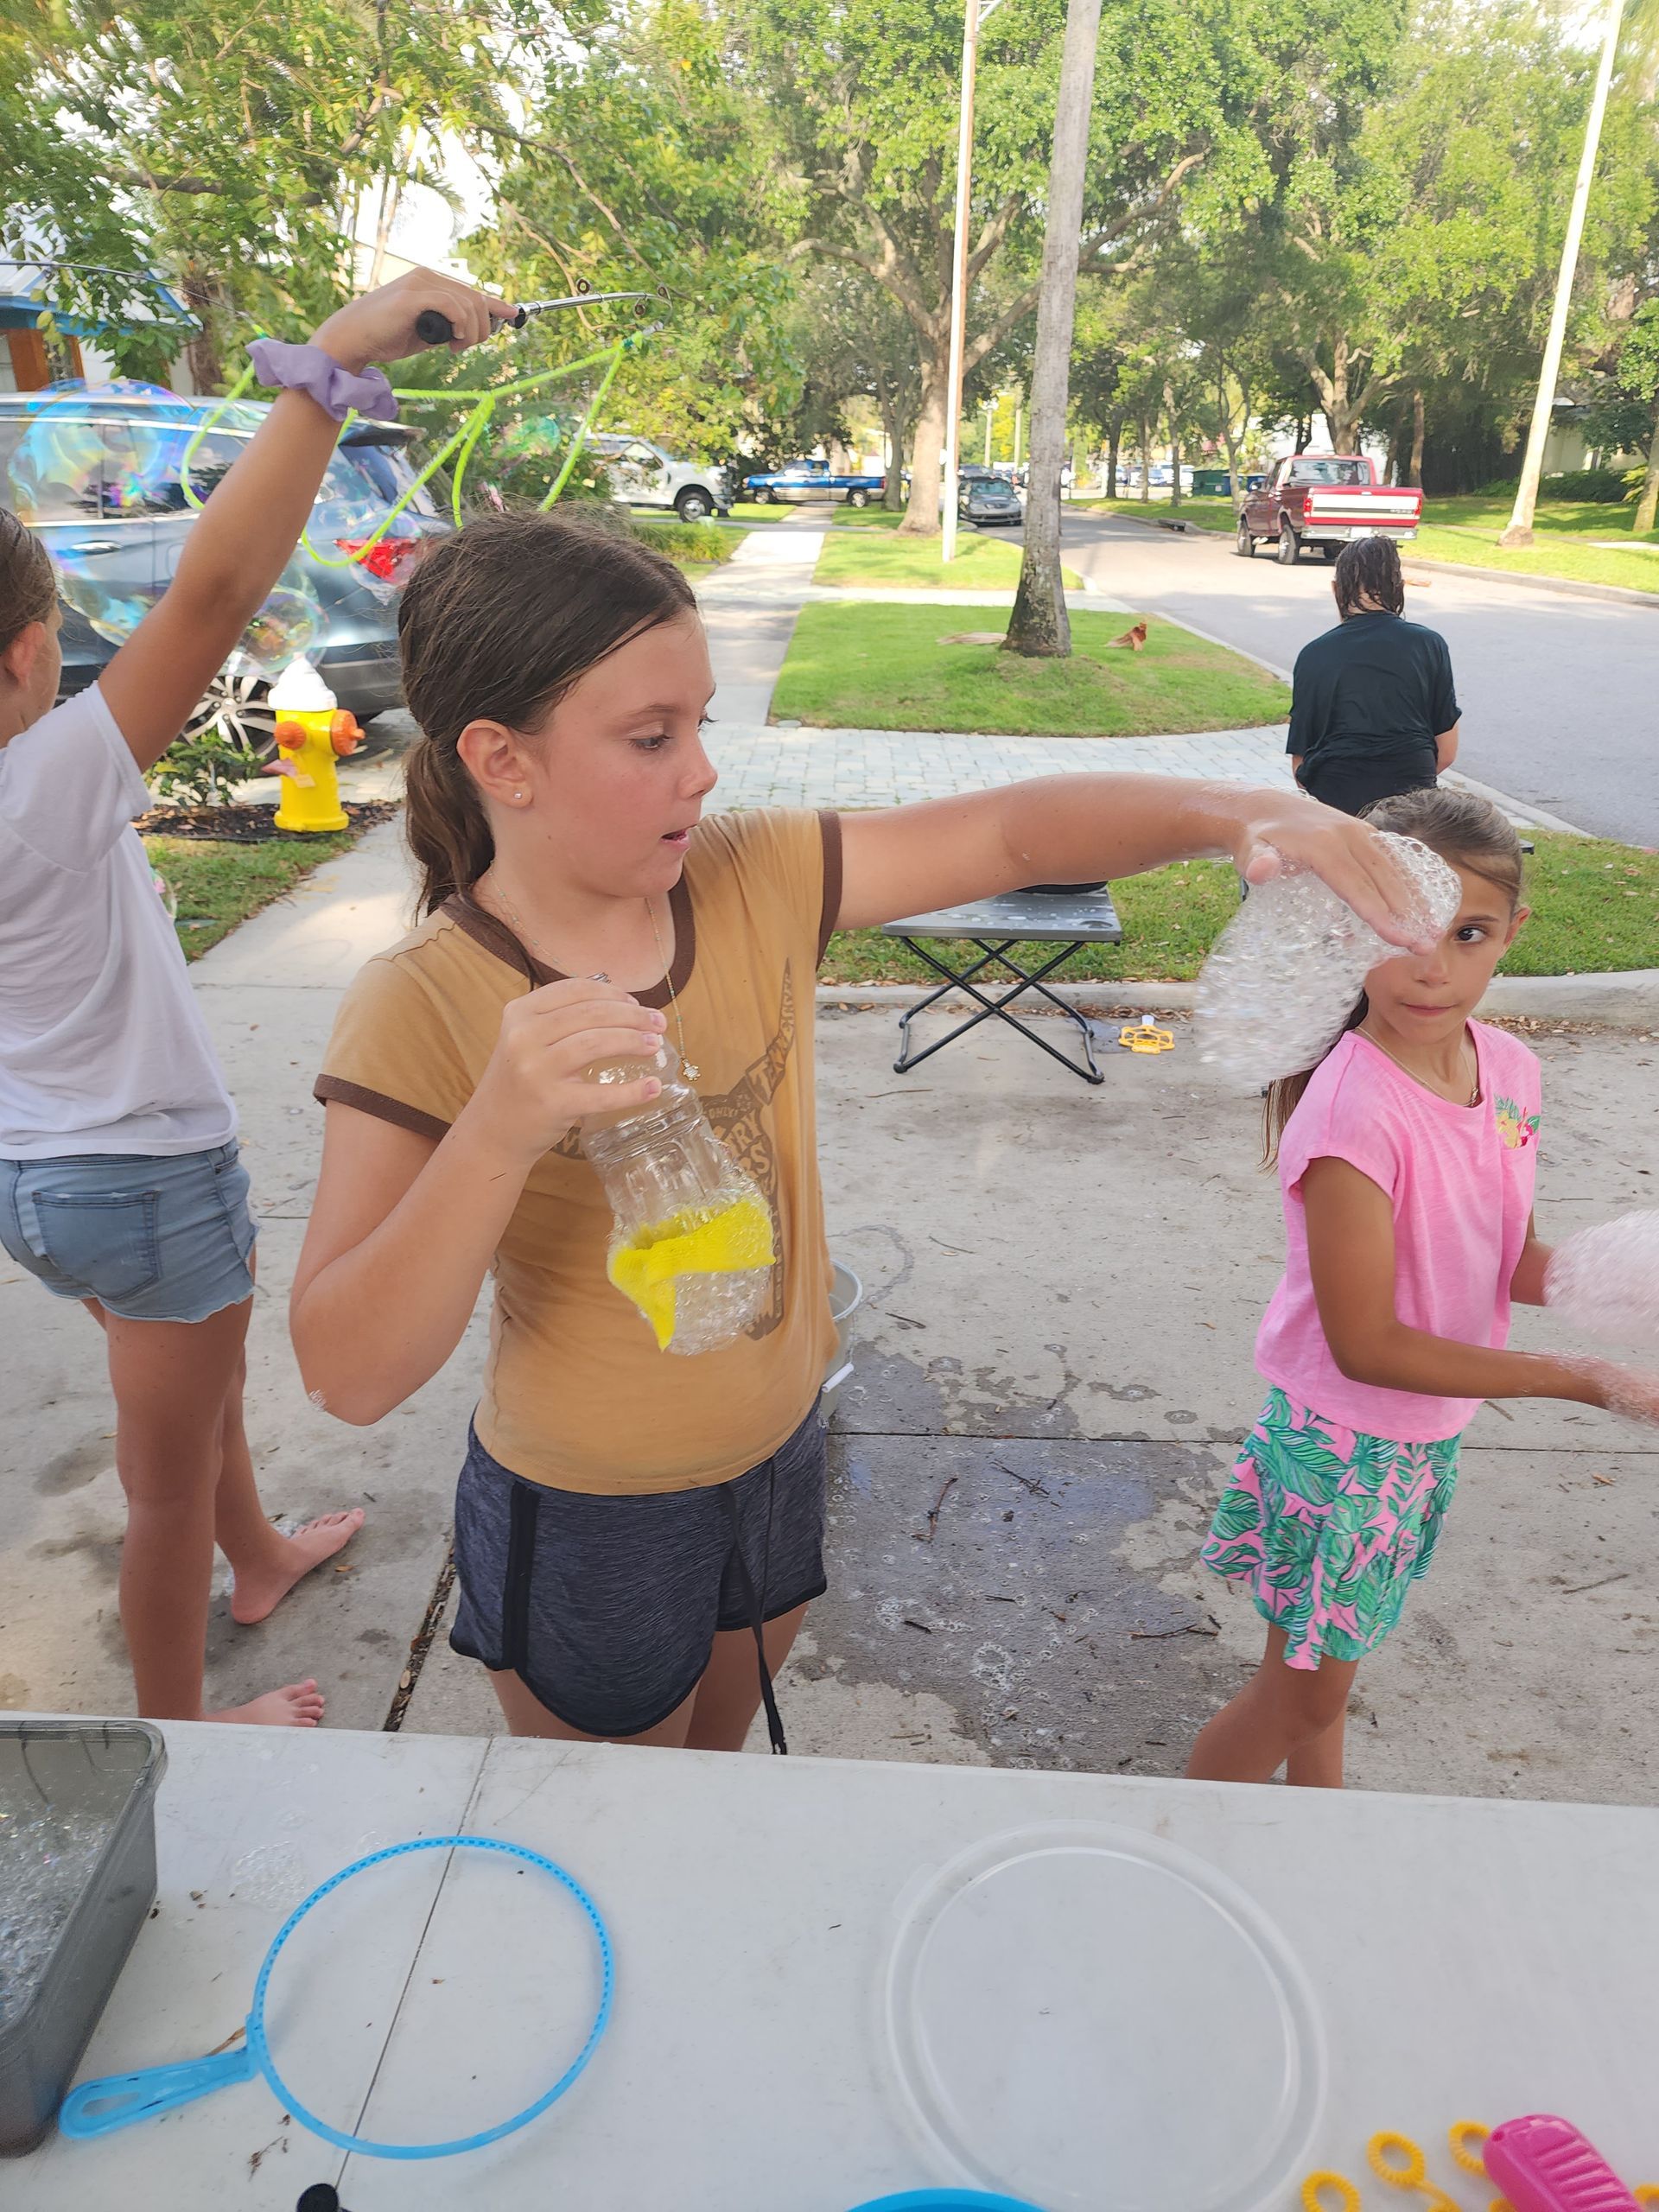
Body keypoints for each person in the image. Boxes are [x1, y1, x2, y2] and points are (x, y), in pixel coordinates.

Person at [290, 508, 1432, 1755]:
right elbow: (351, 1372)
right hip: (594, 1509)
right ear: (503, 762)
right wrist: (501, 1128)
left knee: (717, 1775)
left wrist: (1236, 812)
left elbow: (1011, 832)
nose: (702, 770)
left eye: (702, 724)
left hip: (777, 1449)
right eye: (650, 738)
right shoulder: (423, 999)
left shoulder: (750, 876)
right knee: (624, 1837)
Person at [0, 268, 508, 1726]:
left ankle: (264, 1552)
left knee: (194, 1384)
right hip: (140, 1176)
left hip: (36, 1182)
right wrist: (332, 362)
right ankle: (181, 1732)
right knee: (158, 1486)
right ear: (33, 657)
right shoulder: (48, 776)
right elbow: (218, 588)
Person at [1185, 787, 1659, 1790]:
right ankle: (1186, 1848)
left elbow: (1510, 1259)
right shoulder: (1354, 1114)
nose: (1430, 966)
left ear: (1512, 933)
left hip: (1419, 1440)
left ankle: (1316, 1834)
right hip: (1344, 1444)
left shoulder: (1513, 1072)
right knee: (1300, 1696)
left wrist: (1625, 1274)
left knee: (1316, 1685)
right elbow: (1369, 1344)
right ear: (1341, 927)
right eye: (1391, 929)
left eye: (1468, 932)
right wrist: (1589, 1379)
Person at [1287, 536, 1461, 817]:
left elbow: (1300, 765)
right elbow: (1447, 751)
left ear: (1336, 590)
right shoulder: (1428, 644)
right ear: (1400, 588)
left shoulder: (1313, 654)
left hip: (1335, 802)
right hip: (1410, 805)